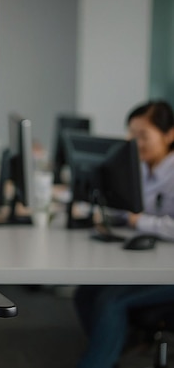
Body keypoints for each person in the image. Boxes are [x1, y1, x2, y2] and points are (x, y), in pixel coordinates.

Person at [74, 100, 174, 368]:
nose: (135, 142)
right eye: (132, 134)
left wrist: (139, 222)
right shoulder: (142, 168)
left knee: (111, 299)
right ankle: (111, 349)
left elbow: (146, 218)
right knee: (85, 292)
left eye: (144, 135)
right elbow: (128, 204)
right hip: (156, 260)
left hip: (170, 272)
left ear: (169, 134)